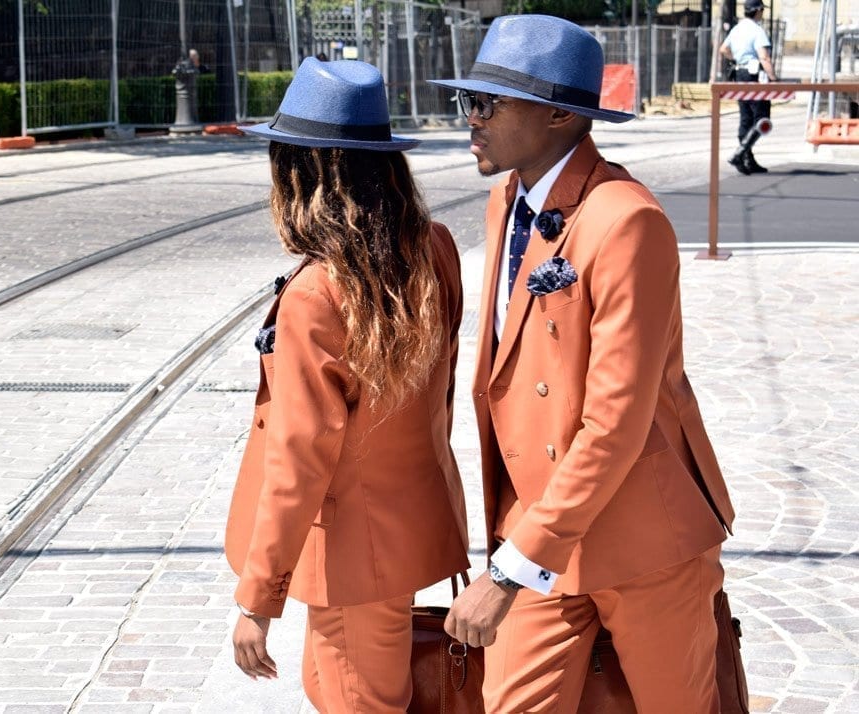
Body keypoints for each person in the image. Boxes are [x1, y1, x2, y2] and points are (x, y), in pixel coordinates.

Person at [430, 15, 737, 713]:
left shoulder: (626, 220)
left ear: (561, 114)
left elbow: (616, 423)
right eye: (467, 102)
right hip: (540, 534)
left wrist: (507, 574)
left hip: (643, 540)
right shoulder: (506, 198)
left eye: (487, 103)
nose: (469, 120)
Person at [225, 57, 470, 712]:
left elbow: (300, 457)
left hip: (346, 562)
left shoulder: (316, 293)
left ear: (301, 171)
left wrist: (257, 599)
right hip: (410, 530)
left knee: (354, 698)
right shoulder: (435, 248)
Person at [720, 0, 778, 174]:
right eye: (762, 11)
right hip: (754, 75)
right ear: (758, 11)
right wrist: (774, 79)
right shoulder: (757, 30)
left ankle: (748, 158)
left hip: (739, 74)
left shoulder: (736, 29)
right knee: (761, 118)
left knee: (746, 116)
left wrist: (736, 60)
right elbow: (764, 57)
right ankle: (740, 153)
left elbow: (723, 49)